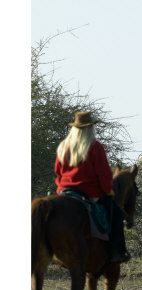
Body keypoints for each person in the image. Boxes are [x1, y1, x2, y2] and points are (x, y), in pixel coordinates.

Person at [54, 111, 130, 263]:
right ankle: (117, 252)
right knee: (117, 214)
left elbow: (58, 171)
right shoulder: (95, 147)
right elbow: (103, 175)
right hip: (89, 193)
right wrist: (108, 190)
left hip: (65, 193)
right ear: (90, 128)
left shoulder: (63, 147)